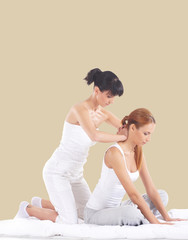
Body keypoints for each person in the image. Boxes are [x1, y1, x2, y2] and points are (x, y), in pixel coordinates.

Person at [14, 68, 127, 224]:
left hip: (76, 175)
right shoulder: (80, 109)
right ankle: (27, 209)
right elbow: (94, 135)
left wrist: (136, 129)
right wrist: (122, 136)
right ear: (96, 90)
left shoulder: (103, 114)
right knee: (69, 221)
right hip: (57, 172)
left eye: (113, 97)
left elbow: (125, 127)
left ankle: (41, 202)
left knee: (89, 216)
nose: (111, 101)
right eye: (108, 96)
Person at [84, 108, 186, 225]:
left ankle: (136, 215)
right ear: (132, 128)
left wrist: (166, 217)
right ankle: (137, 216)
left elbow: (151, 189)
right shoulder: (115, 153)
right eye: (145, 133)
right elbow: (133, 194)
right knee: (131, 214)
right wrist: (156, 222)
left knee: (162, 196)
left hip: (118, 207)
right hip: (96, 213)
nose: (149, 139)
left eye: (150, 134)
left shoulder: (138, 152)